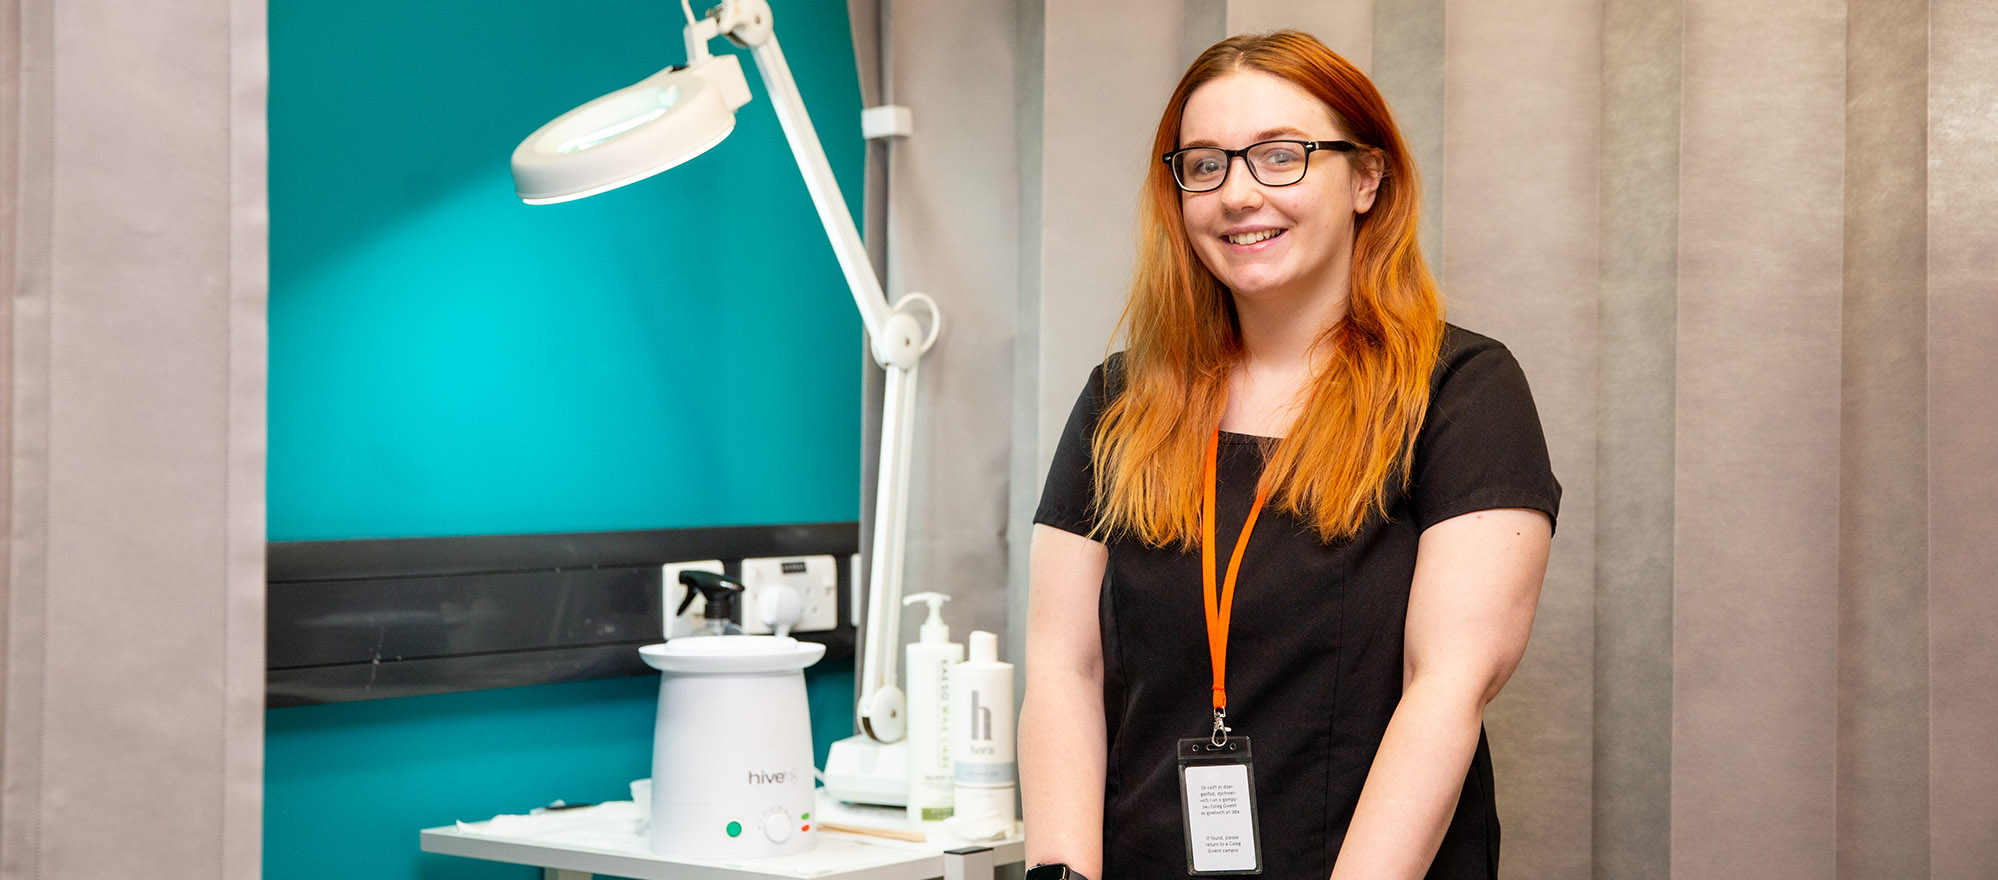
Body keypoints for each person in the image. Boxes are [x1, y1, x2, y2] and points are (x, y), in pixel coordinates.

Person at [1018, 30, 1560, 880]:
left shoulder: (1460, 390)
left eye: (1281, 156)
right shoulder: (1121, 398)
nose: (1237, 194)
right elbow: (1064, 666)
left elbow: (1447, 686)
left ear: (1367, 179)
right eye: (1205, 164)